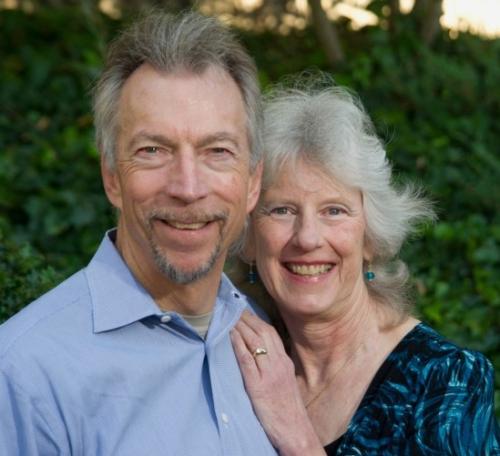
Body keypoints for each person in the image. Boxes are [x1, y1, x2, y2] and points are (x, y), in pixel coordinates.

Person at [0, 11, 278, 455]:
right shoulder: (25, 374)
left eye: (217, 151)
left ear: (252, 182)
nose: (187, 187)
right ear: (112, 175)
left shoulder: (263, 338)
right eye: (153, 150)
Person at [229, 77, 500, 455]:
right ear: (248, 239)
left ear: (370, 237)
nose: (307, 238)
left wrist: (296, 435)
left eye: (334, 211)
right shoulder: (234, 359)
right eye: (281, 209)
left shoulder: (445, 382)